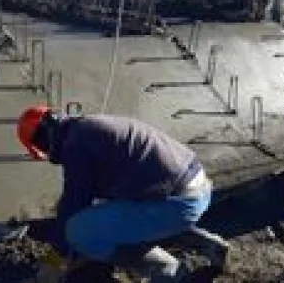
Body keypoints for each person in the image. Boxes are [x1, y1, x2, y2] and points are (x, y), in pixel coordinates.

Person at [17, 106, 229, 282]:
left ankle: (167, 271)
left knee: (77, 230)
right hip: (195, 189)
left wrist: (56, 258)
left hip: (176, 205)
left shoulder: (75, 147)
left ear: (41, 142)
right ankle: (207, 244)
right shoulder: (86, 128)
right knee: (112, 213)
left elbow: (74, 204)